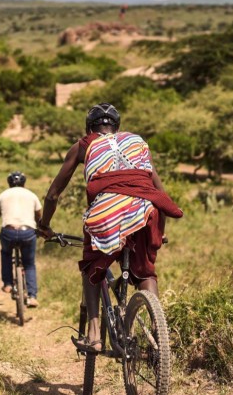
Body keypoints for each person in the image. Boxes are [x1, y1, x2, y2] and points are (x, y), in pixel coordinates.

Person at [37, 103, 183, 352]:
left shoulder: (84, 144)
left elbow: (52, 196)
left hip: (106, 213)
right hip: (148, 210)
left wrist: (45, 225)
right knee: (146, 273)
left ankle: (94, 336)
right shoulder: (136, 141)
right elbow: (159, 193)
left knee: (92, 267)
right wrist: (160, 231)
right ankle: (159, 338)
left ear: (89, 126)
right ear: (118, 126)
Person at [0, 171, 42, 308]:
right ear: (24, 183)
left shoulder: (3, 195)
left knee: (6, 254)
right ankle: (32, 296)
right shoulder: (31, 195)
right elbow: (39, 217)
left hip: (9, 232)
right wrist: (40, 230)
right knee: (29, 264)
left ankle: (7, 284)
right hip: (28, 233)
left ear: (9, 183)